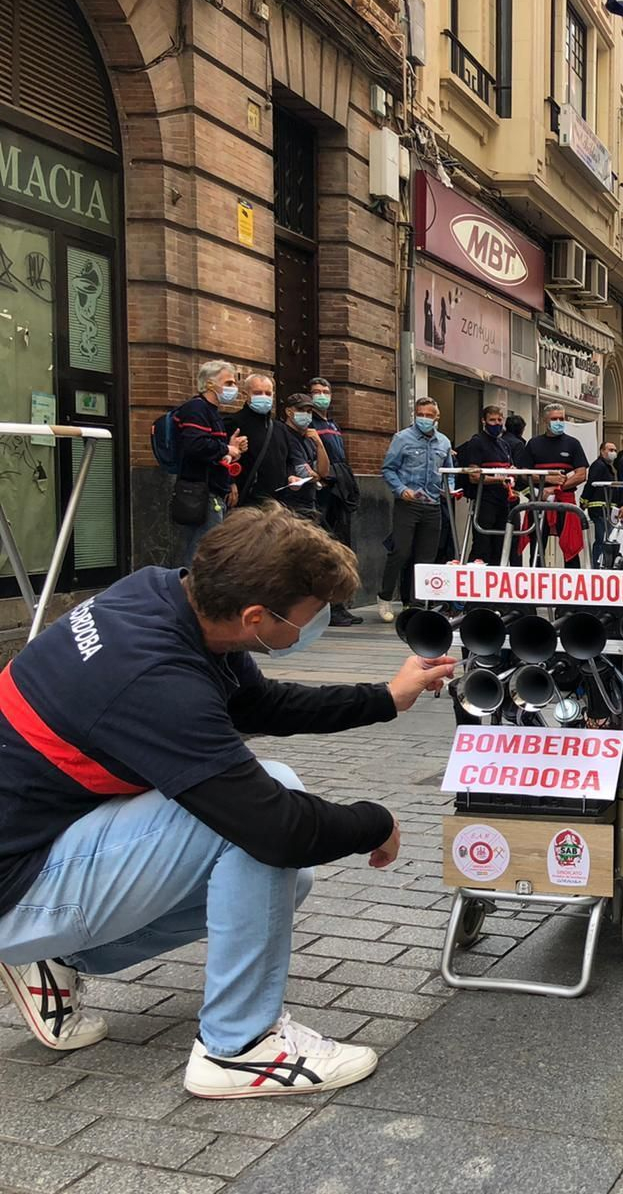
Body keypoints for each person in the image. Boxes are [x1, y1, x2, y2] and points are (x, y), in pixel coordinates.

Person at [0, 506, 455, 1095]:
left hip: (40, 843)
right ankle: (239, 1047)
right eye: (308, 618)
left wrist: (385, 698)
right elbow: (274, 826)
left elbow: (255, 706)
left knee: (288, 880)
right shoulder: (153, 680)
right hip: (17, 884)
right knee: (270, 810)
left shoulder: (159, 597)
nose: (310, 629)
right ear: (255, 617)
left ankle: (58, 958)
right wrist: (375, 821)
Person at [377, 397, 452, 621]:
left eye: (429, 415)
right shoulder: (402, 438)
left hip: (433, 505)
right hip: (408, 503)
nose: (425, 419)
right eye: (421, 414)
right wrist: (401, 490)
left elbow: (449, 473)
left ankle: (416, 603)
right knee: (400, 551)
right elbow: (388, 469)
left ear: (437, 417)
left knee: (426, 557)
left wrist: (451, 490)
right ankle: (385, 597)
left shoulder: (444, 443)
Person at [172, 360, 248, 567]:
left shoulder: (212, 412)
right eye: (229, 382)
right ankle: (192, 594)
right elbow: (194, 445)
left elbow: (210, 450)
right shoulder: (196, 408)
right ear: (210, 384)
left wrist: (231, 451)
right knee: (201, 552)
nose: (233, 388)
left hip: (214, 490)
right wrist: (226, 449)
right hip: (202, 492)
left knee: (209, 551)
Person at [309, 378, 362, 626]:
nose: (322, 395)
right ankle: (328, 607)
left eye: (325, 391)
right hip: (323, 493)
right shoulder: (309, 424)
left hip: (340, 490)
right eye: (316, 392)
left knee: (342, 547)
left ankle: (339, 604)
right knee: (326, 551)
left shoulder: (332, 423)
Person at [516, 405, 589, 567]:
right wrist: (546, 480)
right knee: (537, 545)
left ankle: (573, 582)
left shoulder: (573, 444)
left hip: (565, 501)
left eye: (561, 419)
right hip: (540, 501)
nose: (558, 422)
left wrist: (557, 488)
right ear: (545, 421)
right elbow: (523, 473)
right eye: (554, 419)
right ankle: (536, 581)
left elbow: (581, 474)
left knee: (571, 547)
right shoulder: (534, 444)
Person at [455, 404, 518, 565]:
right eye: (492, 420)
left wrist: (512, 473)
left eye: (499, 420)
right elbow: (474, 476)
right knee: (482, 545)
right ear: (484, 421)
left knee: (500, 544)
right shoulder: (477, 442)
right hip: (485, 500)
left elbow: (509, 468)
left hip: (504, 500)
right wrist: (499, 479)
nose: (496, 423)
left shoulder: (504, 444)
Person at [225, 374, 290, 511]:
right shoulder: (233, 423)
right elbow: (221, 458)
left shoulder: (280, 428)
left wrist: (291, 477)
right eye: (257, 393)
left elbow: (288, 461)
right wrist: (230, 483)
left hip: (277, 501)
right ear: (246, 394)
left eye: (268, 393)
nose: (263, 397)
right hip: (246, 500)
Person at [274, 393, 330, 520]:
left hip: (310, 502)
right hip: (289, 504)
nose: (306, 414)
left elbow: (324, 472)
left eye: (309, 411)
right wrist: (315, 476)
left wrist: (319, 444)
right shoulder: (282, 432)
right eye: (300, 410)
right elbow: (307, 474)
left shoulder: (309, 438)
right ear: (289, 411)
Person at [584, 441, 620, 565]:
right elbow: (591, 484)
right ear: (602, 451)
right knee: (601, 539)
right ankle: (597, 564)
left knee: (606, 538)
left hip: (607, 508)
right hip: (599, 508)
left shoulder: (608, 467)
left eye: (615, 450)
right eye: (610, 450)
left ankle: (603, 563)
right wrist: (584, 500)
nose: (613, 453)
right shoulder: (599, 465)